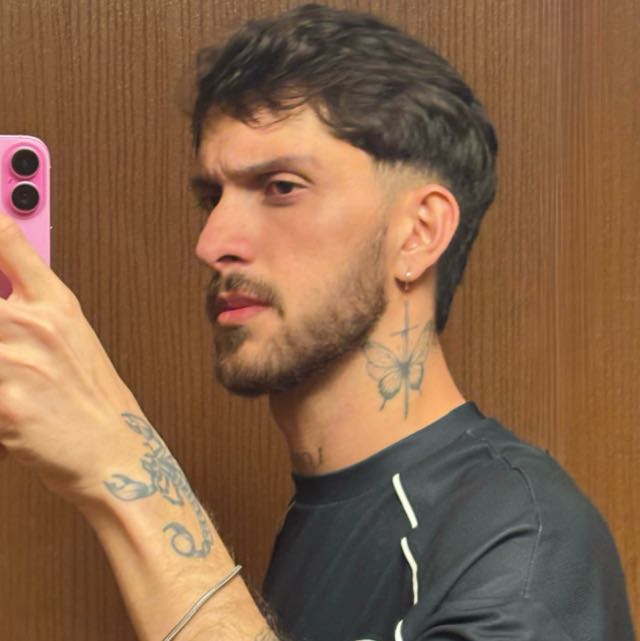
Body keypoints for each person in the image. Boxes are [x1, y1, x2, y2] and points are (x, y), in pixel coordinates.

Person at [0, 3, 634, 641]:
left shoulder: (522, 548)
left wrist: (124, 468)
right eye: (211, 198)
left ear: (418, 233)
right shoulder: (327, 511)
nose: (211, 242)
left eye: (281, 187)